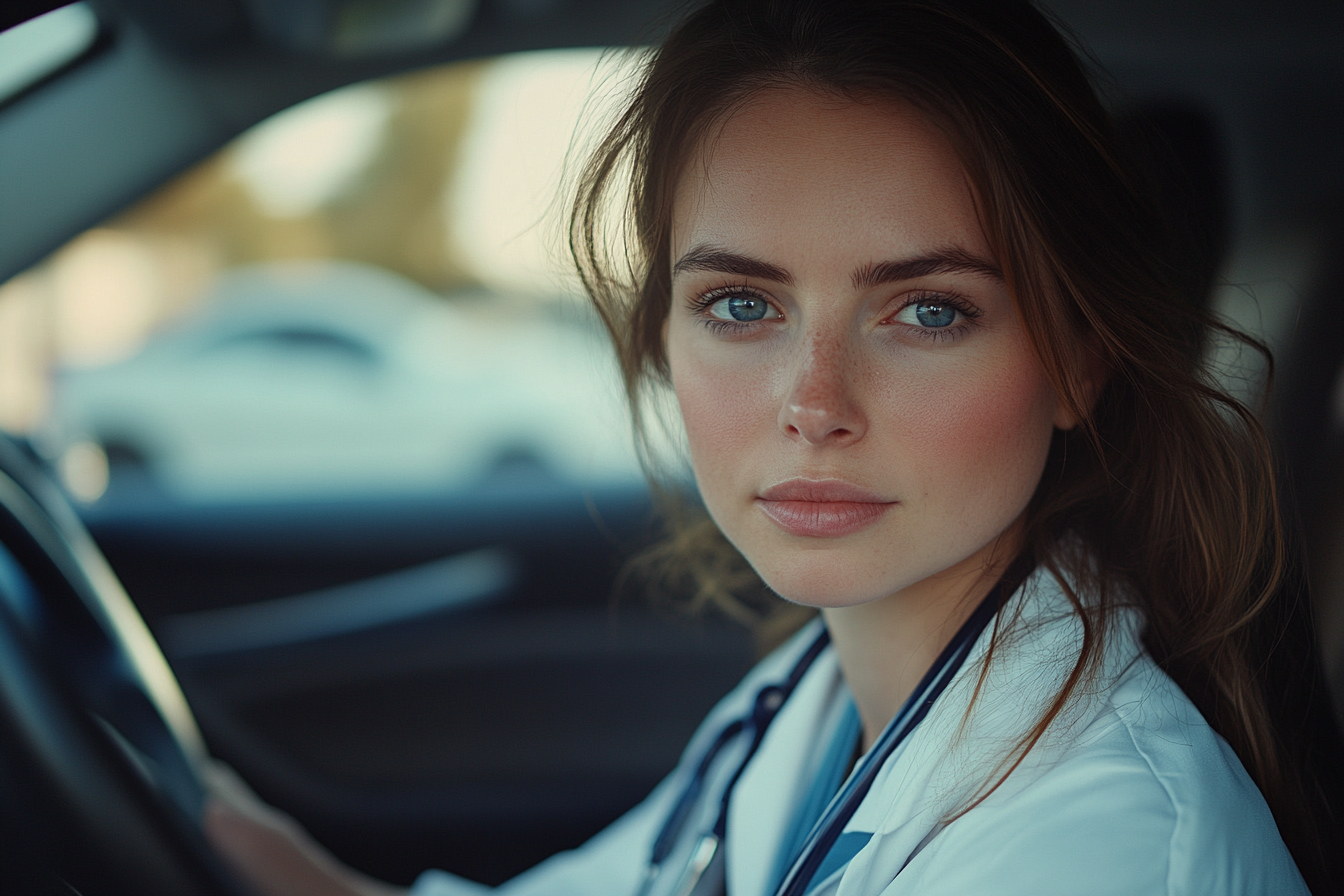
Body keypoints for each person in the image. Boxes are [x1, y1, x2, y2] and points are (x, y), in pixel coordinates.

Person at [205, 0, 1344, 893]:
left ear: (1077, 362)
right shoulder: (823, 695)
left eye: (929, 309)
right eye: (743, 305)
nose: (814, 402)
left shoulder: (1098, 855)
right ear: (663, 327)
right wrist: (237, 839)